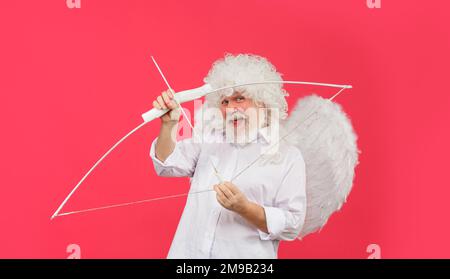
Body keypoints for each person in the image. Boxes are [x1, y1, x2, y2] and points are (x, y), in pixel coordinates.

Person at [150, 54, 306, 258]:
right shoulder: (208, 140)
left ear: (262, 101)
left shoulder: (288, 156)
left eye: (239, 98)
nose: (231, 108)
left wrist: (245, 208)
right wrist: (169, 125)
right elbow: (166, 164)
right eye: (224, 101)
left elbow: (293, 223)